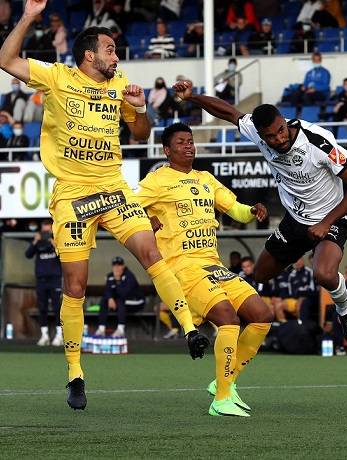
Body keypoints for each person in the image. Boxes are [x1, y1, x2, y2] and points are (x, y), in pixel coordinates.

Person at [0, 0, 209, 411]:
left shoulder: (121, 84)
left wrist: (140, 107)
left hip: (114, 188)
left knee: (152, 253)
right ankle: (75, 373)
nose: (116, 56)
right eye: (110, 50)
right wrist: (29, 16)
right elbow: (5, 59)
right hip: (73, 195)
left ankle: (189, 327)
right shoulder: (56, 77)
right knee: (75, 286)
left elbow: (140, 133)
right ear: (88, 55)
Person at [172, 79, 347, 349]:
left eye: (281, 131)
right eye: (271, 136)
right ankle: (301, 250)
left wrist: (326, 223)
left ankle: (345, 309)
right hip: (295, 221)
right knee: (262, 274)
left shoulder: (317, 141)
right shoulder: (256, 130)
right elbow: (228, 112)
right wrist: (192, 97)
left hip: (331, 217)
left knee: (323, 274)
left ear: (284, 122)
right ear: (260, 133)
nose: (278, 139)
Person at [138, 122, 274, 417]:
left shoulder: (205, 179)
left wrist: (251, 211)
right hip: (183, 266)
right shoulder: (157, 181)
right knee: (228, 318)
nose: (189, 146)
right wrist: (147, 220)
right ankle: (222, 400)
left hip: (213, 264)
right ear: (166, 150)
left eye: (191, 141)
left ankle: (224, 383)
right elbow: (128, 209)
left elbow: (235, 208)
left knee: (262, 316)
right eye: (181, 142)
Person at [25, 219, 63, 347]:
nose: (46, 231)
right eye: (44, 229)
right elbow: (28, 255)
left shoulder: (58, 239)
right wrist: (35, 241)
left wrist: (53, 242)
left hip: (55, 280)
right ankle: (44, 335)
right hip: (41, 280)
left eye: (48, 228)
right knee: (42, 308)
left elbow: (63, 255)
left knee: (58, 307)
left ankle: (59, 335)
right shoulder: (38, 242)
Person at [93, 256, 145, 338]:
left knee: (120, 300)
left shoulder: (129, 276)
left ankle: (121, 329)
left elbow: (124, 293)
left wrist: (117, 280)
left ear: (123, 266)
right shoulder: (110, 276)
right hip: (121, 301)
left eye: (119, 265)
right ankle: (101, 329)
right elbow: (107, 290)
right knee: (104, 301)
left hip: (137, 302)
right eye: (115, 265)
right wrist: (110, 298)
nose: (117, 267)